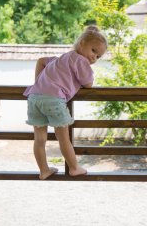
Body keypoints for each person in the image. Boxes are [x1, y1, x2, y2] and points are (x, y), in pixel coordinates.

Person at [24, 25, 108, 180]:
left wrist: (39, 83)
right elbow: (88, 83)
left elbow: (41, 61)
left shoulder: (62, 58)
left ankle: (44, 170)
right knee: (63, 138)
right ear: (82, 43)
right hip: (54, 100)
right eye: (94, 50)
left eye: (98, 57)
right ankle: (74, 168)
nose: (93, 58)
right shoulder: (80, 60)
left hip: (35, 97)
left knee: (40, 139)